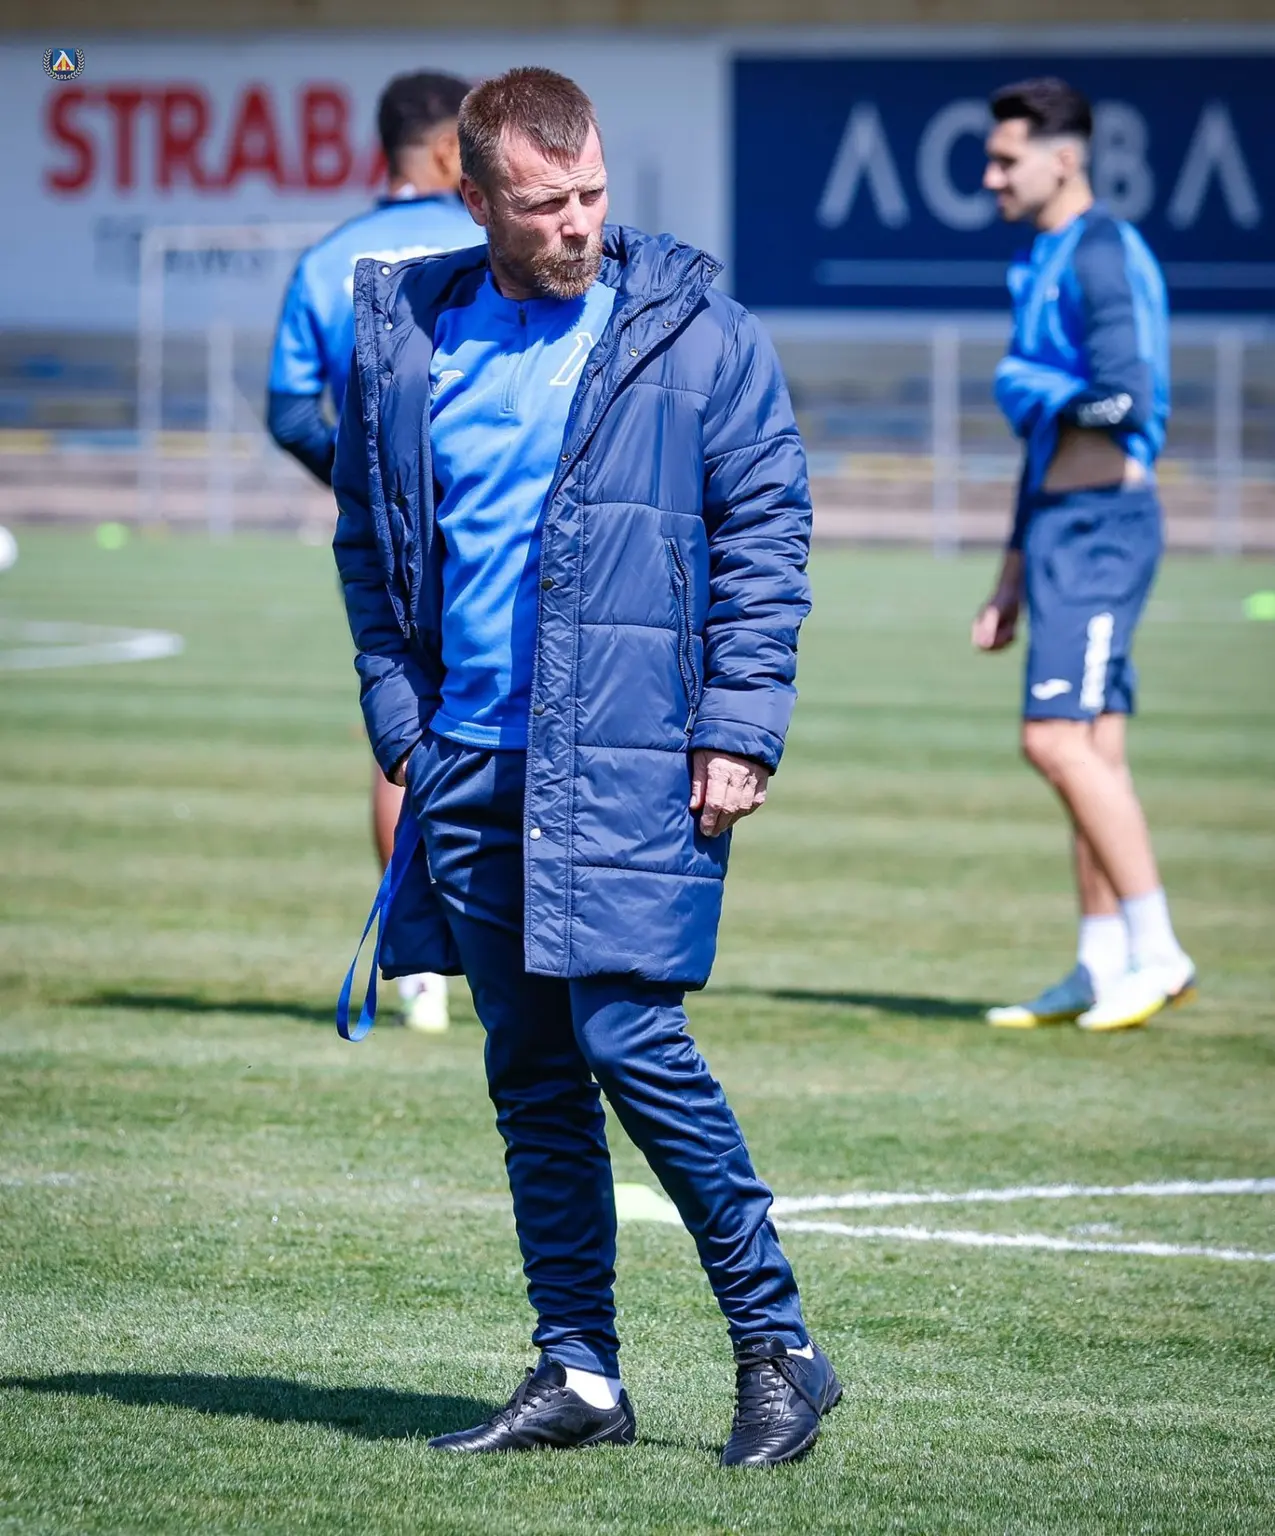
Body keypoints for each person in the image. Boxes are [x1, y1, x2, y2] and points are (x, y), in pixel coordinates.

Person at [332, 66, 839, 1467]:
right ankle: (581, 1374)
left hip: (632, 756)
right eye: (545, 203)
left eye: (592, 196)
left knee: (629, 1039)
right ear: (474, 200)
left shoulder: (696, 331)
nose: (576, 225)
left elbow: (767, 528)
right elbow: (370, 545)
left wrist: (739, 724)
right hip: (466, 766)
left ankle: (779, 1348)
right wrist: (401, 721)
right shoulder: (406, 336)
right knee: (533, 1076)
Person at [974, 77, 1195, 1032]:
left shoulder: (1101, 250)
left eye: (1004, 160)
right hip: (1060, 528)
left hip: (1105, 525)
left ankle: (1160, 953)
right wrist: (1010, 573)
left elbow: (1125, 398)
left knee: (1053, 741)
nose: (990, 178)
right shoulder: (1042, 256)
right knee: (1094, 749)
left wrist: (1035, 388)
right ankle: (1099, 963)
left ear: (1062, 159)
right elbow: (1042, 443)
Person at [268, 70, 478, 1032]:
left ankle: (419, 966)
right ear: (449, 151)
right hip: (499, 518)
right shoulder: (492, 235)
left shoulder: (327, 259)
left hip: (393, 545)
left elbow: (288, 410)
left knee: (403, 725)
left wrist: (365, 492)